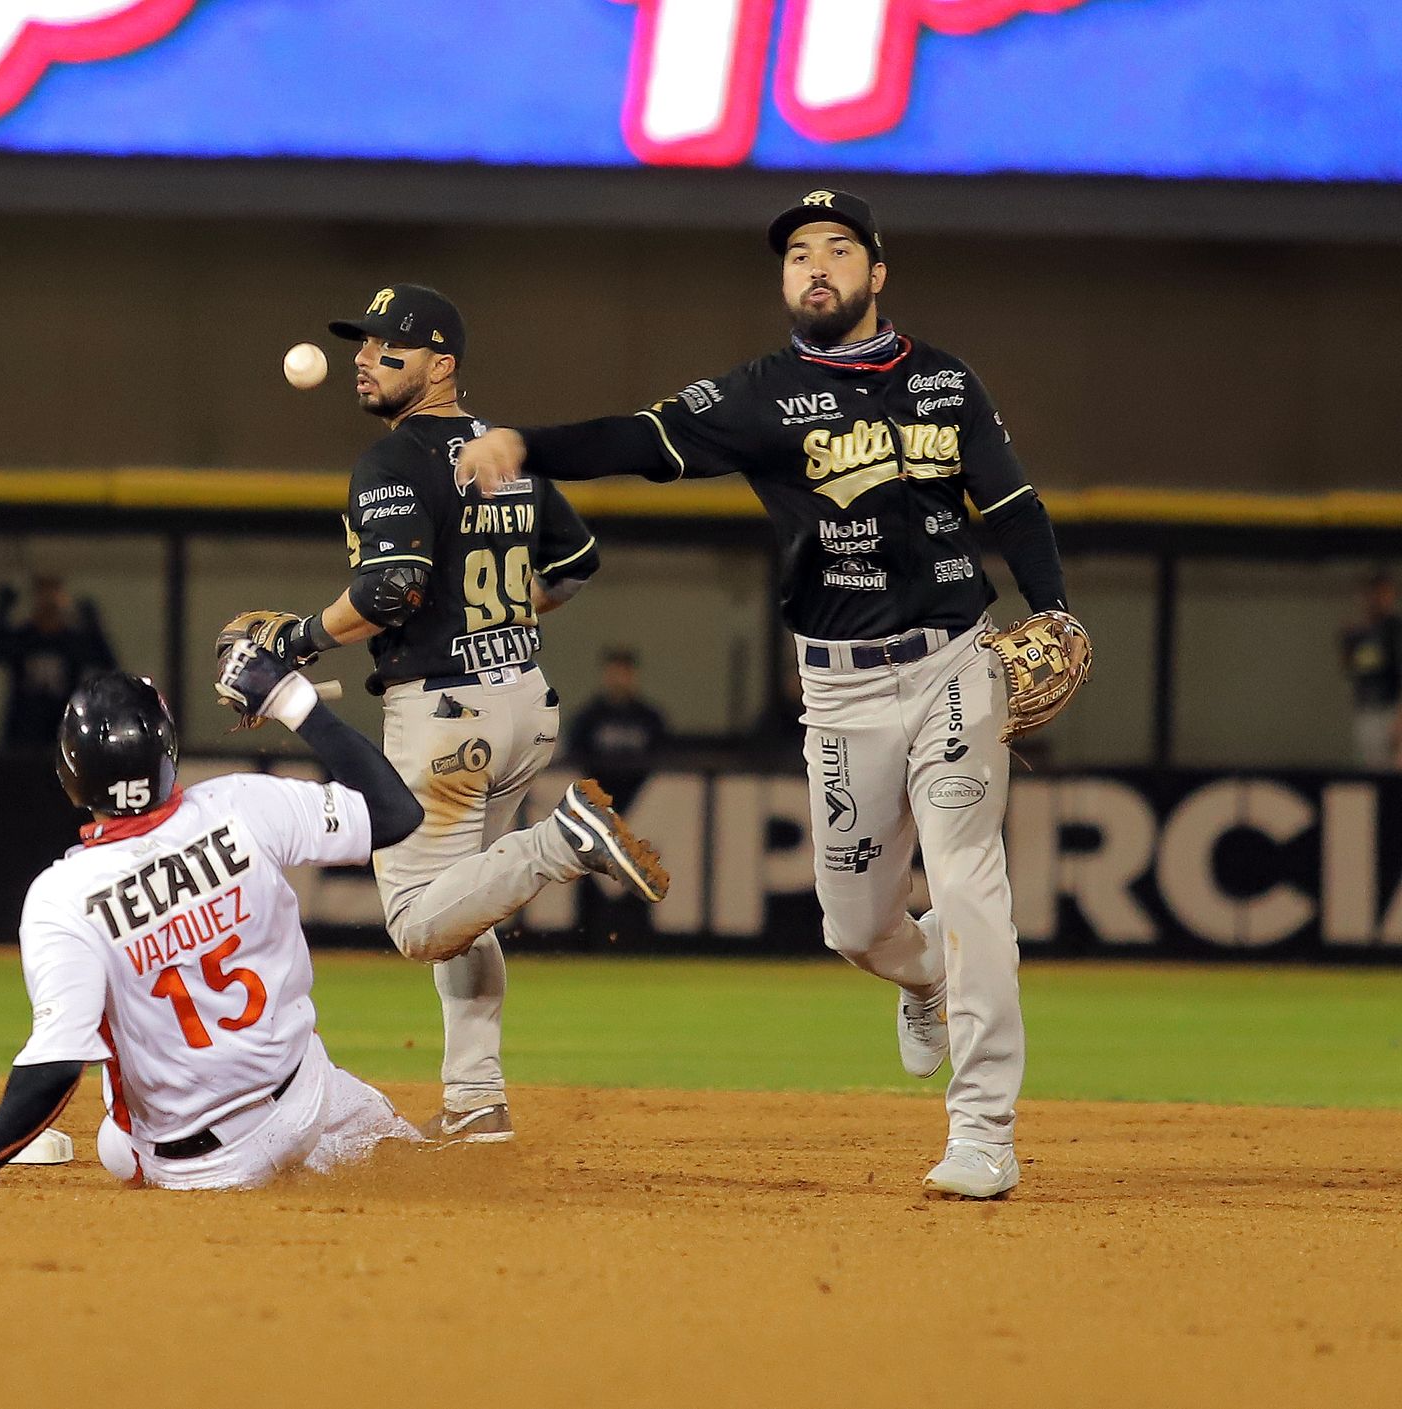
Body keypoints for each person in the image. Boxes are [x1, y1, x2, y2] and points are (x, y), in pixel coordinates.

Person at [457, 190, 1084, 1199]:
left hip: (956, 664)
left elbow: (1008, 503)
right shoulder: (761, 394)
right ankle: (919, 978)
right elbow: (645, 440)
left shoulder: (941, 380)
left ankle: (982, 1131)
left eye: (838, 247)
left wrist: (1053, 607)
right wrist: (527, 444)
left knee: (971, 888)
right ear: (784, 281)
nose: (816, 264)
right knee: (854, 926)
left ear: (877, 273)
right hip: (838, 695)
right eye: (797, 253)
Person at [218, 283, 670, 1146]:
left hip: (445, 719)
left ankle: (563, 840)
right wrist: (499, 617)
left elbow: (391, 587)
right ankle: (476, 1101)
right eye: (363, 343)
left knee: (420, 922)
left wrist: (303, 638)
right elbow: (576, 560)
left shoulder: (394, 462)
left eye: (389, 345)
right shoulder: (506, 451)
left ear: (441, 365)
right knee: (468, 909)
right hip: (523, 707)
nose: (363, 356)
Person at [0, 653, 425, 1192]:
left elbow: (58, 1064)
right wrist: (292, 699)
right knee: (415, 1162)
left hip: (205, 1167)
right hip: (307, 1098)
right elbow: (396, 813)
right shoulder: (244, 804)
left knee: (116, 1144)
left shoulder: (63, 895)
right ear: (167, 751)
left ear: (70, 772)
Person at [0, 574, 118, 750]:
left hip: (62, 730)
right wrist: (0, 612)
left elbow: (108, 664)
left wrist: (95, 627)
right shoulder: (23, 639)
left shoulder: (72, 641)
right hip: (24, 732)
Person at [567, 648, 668, 813]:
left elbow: (662, 756)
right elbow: (575, 756)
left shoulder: (650, 718)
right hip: (596, 796)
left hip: (639, 796)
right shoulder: (588, 718)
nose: (619, 680)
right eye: (615, 673)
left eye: (624, 673)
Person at [1340, 572, 1401, 770]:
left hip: (1389, 709)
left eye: (1386, 594)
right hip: (1366, 710)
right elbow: (1353, 670)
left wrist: (1399, 718)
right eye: (1376, 594)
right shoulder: (1358, 633)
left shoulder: (1394, 629)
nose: (1380, 600)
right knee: (1371, 768)